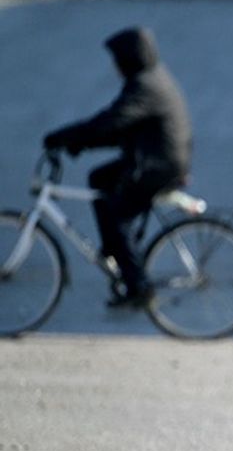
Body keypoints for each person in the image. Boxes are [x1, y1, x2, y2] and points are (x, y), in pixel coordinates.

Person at [42, 26, 192, 308]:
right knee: (99, 178)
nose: (115, 67)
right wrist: (80, 143)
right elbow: (120, 128)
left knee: (118, 215)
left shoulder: (146, 86)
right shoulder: (150, 78)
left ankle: (138, 285)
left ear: (129, 58)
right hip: (156, 158)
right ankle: (115, 252)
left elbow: (111, 122)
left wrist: (65, 136)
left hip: (158, 165)